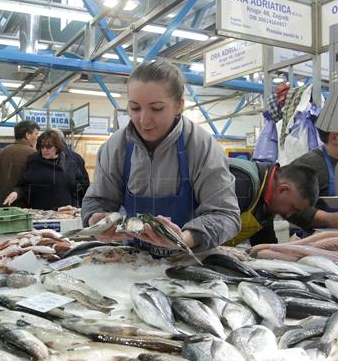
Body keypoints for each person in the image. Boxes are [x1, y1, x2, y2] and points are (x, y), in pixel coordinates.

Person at [81, 60, 240, 255]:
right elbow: (97, 200)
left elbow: (225, 215)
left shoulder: (202, 147)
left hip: (188, 259)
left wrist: (182, 239)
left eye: (156, 108)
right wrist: (96, 221)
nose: (144, 120)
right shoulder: (115, 146)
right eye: (135, 108)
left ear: (179, 105)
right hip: (134, 261)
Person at [226, 160, 319, 246]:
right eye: (293, 208)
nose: (289, 214)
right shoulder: (242, 184)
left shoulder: (268, 199)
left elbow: (264, 242)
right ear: (283, 189)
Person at [4, 130, 78, 210]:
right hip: (40, 213)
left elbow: (77, 188)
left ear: (57, 147)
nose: (44, 150)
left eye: (49, 147)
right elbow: (24, 185)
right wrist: (17, 192)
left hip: (64, 212)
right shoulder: (34, 161)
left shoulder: (69, 162)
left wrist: (75, 207)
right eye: (42, 147)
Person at [0, 119, 40, 206]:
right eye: (36, 134)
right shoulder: (33, 155)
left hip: (1, 206)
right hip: (23, 209)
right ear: (27, 135)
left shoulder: (1, 153)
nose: (37, 137)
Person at [52, 128, 91, 206]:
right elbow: (85, 183)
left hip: (54, 203)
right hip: (74, 202)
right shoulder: (77, 157)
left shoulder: (48, 155)